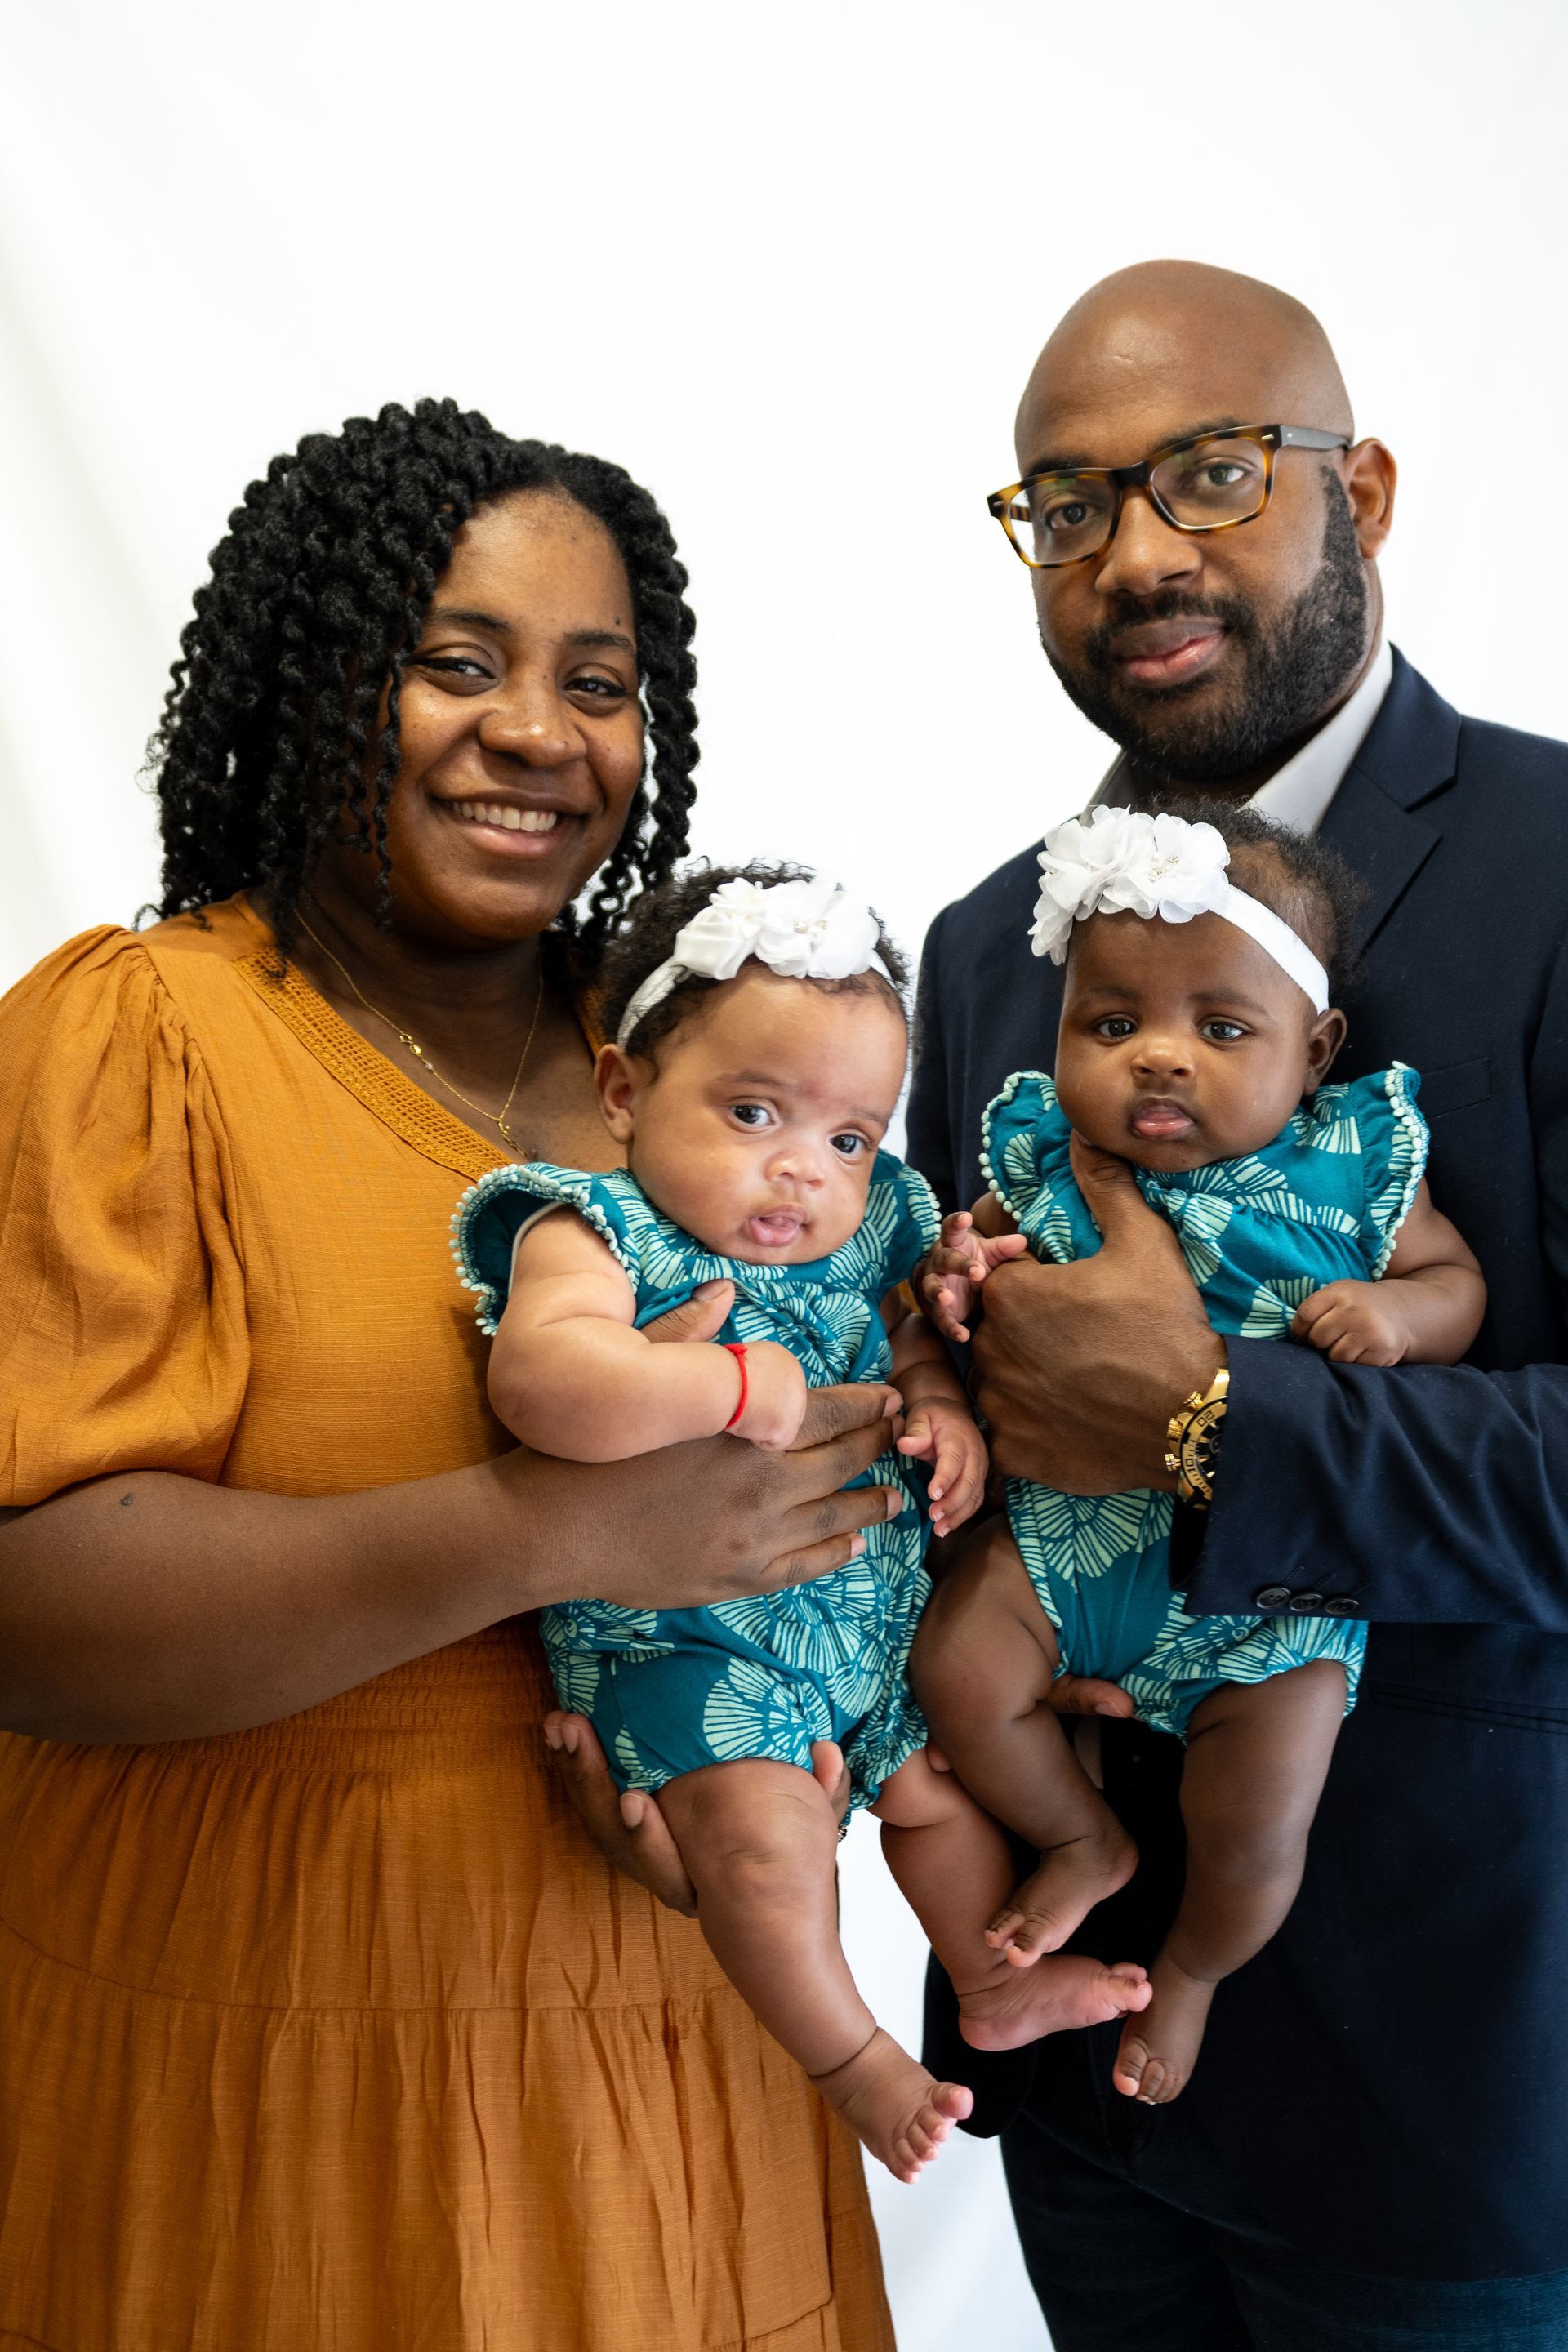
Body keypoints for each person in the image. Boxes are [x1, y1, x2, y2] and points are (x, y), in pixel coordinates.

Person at [0, 401, 906, 2350]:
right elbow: (31, 1609)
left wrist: (795, 1778)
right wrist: (548, 1526)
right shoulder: (140, 1035)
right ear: (319, 687)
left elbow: (850, 1475)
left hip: (685, 2039)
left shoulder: (716, 1075)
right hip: (273, 2075)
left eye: (599, 682)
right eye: (456, 663)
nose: (537, 734)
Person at [909, 259, 1568, 2347]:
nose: (1139, 554)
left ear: (1359, 487)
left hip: (1452, 2071)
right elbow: (958, 1399)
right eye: (1070, 504)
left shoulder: (1565, 864)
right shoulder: (987, 950)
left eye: (1212, 473)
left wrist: (1216, 1425)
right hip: (1073, 2063)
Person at [451, 861, 1152, 2182]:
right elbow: (542, 1383)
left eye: (846, 1136)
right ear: (624, 1092)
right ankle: (852, 2059)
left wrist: (940, 1408)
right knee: (767, 1846)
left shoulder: (871, 1224)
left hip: (861, 1628)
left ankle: (985, 1984)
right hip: (688, 1650)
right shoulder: (593, 1229)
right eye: (753, 1110)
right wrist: (718, 1381)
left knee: (939, 1801)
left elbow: (908, 1344)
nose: (803, 1171)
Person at [912, 802, 1482, 2107]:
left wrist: (1399, 1313)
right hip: (1073, 1547)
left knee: (1255, 1831)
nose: (1159, 1060)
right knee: (957, 1668)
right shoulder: (1044, 1157)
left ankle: (1193, 1970)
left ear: (1315, 1044)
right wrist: (951, 1280)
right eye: (1112, 1026)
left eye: (1222, 1030)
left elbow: (1457, 1283)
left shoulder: (1353, 1169)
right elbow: (962, 1261)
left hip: (1270, 1602)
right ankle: (1080, 1836)